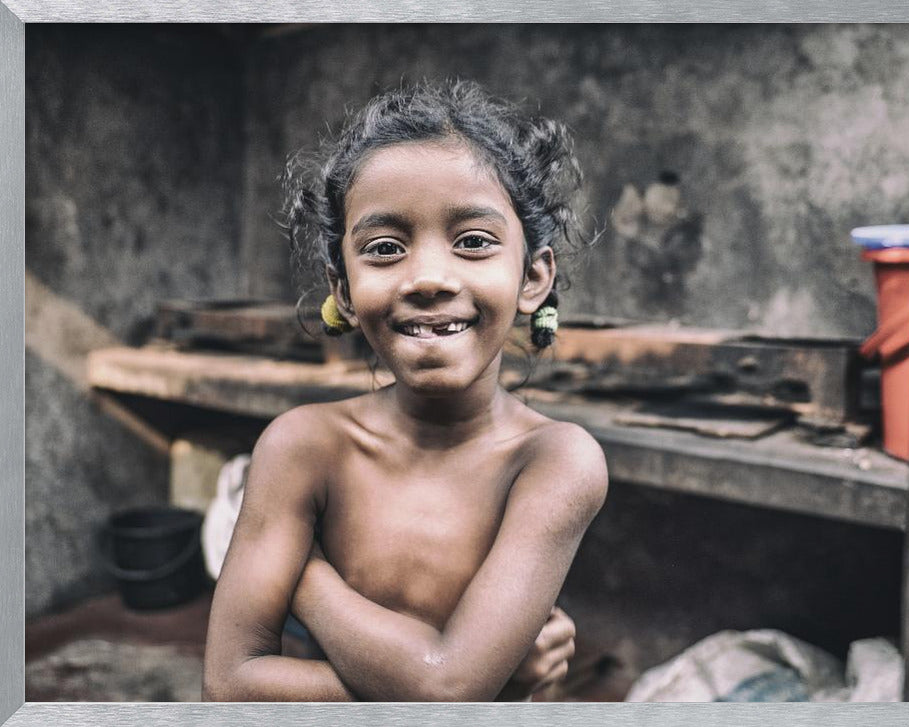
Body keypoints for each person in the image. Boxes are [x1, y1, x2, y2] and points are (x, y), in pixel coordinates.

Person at [202, 79, 608, 702]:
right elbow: (230, 687)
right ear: (343, 290)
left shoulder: (555, 461)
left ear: (533, 278)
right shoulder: (305, 445)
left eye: (474, 241)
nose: (427, 278)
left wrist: (305, 577)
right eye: (385, 248)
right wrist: (489, 686)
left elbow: (446, 690)